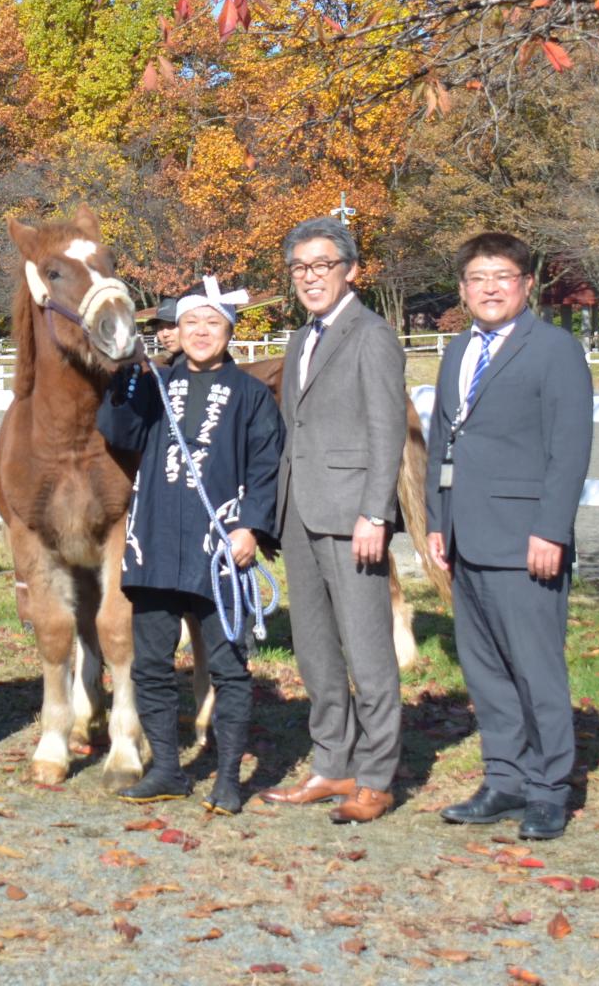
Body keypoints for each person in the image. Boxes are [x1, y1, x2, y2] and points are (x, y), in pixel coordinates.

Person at [424, 232, 592, 841]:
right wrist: (437, 524)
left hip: (526, 539)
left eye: (502, 276)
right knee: (486, 669)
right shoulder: (456, 352)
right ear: (463, 289)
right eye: (477, 277)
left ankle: (548, 789)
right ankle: (504, 780)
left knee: (535, 669)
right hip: (465, 536)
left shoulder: (554, 351)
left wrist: (551, 530)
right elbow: (443, 440)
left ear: (525, 284)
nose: (489, 288)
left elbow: (569, 450)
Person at [98, 277, 282, 813]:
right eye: (191, 323)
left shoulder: (250, 394)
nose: (201, 333)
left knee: (228, 668)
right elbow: (119, 431)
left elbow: (267, 467)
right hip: (154, 544)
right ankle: (169, 771)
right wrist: (125, 374)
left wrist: (251, 527)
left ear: (229, 331)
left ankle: (227, 778)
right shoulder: (155, 383)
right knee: (151, 665)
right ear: (176, 331)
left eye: (213, 324)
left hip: (219, 549)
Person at [261, 217, 408, 824]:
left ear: (350, 269)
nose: (309, 278)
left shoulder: (371, 336)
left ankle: (376, 776)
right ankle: (332, 763)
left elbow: (387, 430)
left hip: (352, 515)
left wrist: (376, 511)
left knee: (367, 649)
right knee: (314, 649)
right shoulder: (301, 340)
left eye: (322, 265)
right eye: (299, 268)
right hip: (299, 511)